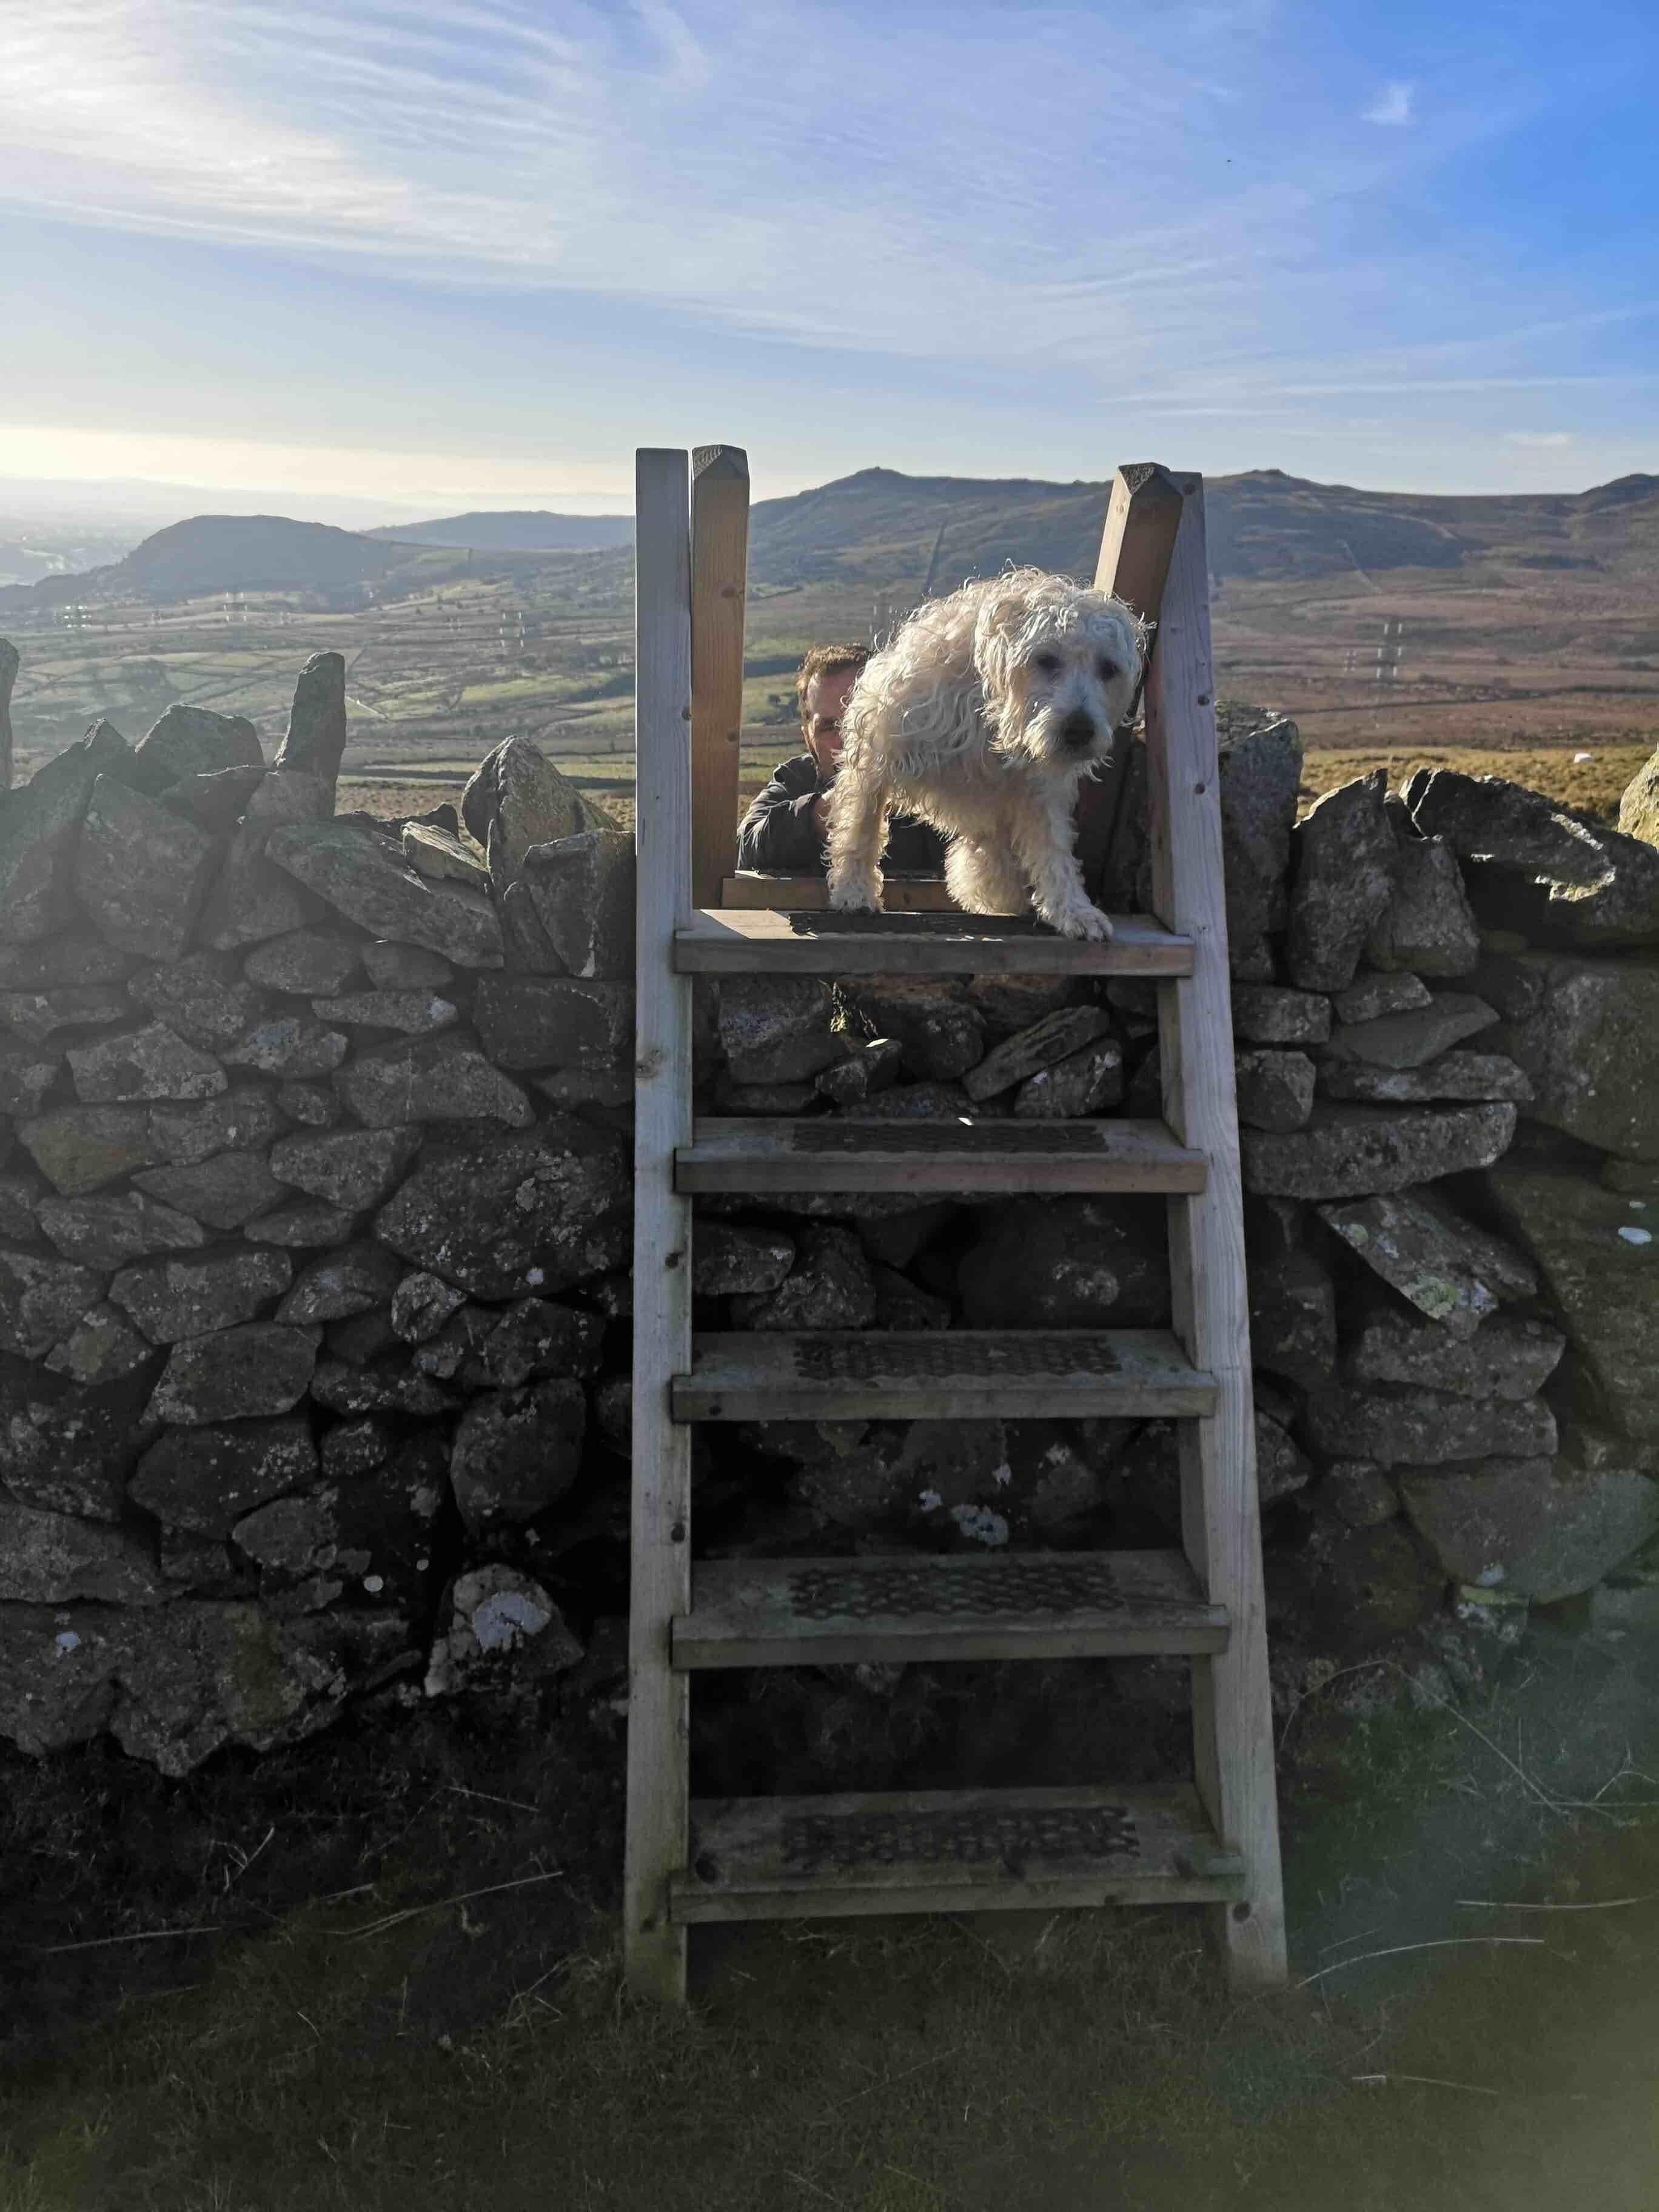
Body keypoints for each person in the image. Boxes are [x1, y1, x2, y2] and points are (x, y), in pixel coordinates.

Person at [736, 642, 946, 875]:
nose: (848, 739)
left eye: (860, 720)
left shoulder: (931, 780)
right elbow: (744, 847)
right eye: (829, 727)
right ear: (807, 735)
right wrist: (815, 818)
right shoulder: (797, 778)